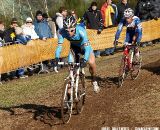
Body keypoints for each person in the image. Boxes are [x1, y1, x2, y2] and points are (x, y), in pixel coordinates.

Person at [55, 16, 100, 93]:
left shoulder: (81, 31)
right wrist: (56, 59)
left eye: (72, 30)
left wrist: (85, 60)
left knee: (92, 63)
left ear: (75, 27)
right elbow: (59, 47)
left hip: (84, 48)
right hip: (74, 49)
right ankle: (70, 88)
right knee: (71, 67)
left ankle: (94, 81)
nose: (69, 33)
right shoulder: (62, 32)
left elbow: (88, 48)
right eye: (67, 31)